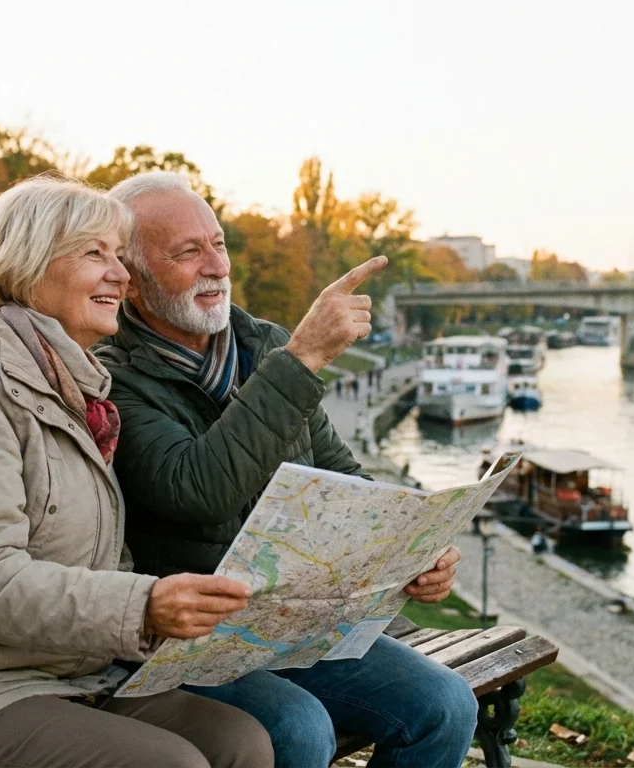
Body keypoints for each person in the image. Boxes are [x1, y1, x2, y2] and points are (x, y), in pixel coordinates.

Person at [0, 175, 273, 768]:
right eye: (95, 253)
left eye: (119, 255)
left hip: (63, 671)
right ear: (27, 264)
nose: (122, 274)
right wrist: (143, 605)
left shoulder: (78, 389)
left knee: (241, 743)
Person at [99, 172, 478, 768]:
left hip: (296, 619)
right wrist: (300, 359)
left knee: (446, 704)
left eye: (218, 244)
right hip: (189, 639)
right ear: (132, 277)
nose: (216, 266)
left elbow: (340, 475)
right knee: (298, 729)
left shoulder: (262, 347)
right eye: (187, 252)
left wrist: (415, 548)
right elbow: (196, 489)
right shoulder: (112, 375)